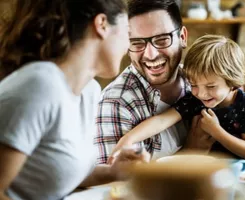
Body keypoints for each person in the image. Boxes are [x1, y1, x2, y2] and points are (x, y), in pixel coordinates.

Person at [0, 1, 149, 200]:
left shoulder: (89, 91)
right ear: (102, 24)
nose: (128, 45)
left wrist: (114, 172)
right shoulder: (40, 86)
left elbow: (57, 174)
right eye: (128, 31)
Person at [94, 0, 218, 164]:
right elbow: (117, 186)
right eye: (137, 43)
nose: (151, 55)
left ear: (182, 37)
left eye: (162, 40)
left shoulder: (203, 83)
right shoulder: (115, 103)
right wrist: (192, 151)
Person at [110, 35, 245, 161]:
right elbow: (162, 120)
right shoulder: (195, 101)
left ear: (232, 81)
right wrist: (127, 140)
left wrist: (216, 131)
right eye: (193, 84)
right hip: (213, 171)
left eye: (211, 86)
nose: (201, 93)